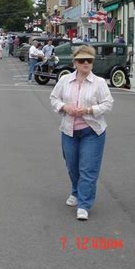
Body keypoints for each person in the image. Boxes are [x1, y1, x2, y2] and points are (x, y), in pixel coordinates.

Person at [50, 45, 114, 221]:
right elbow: (54, 98)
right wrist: (64, 107)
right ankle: (76, 191)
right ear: (75, 62)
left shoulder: (99, 83)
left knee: (88, 168)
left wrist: (88, 110)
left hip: (92, 132)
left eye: (89, 60)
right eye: (81, 60)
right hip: (69, 131)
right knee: (72, 165)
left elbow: (108, 104)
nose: (86, 63)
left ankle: (84, 204)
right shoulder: (65, 81)